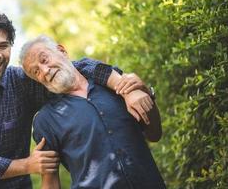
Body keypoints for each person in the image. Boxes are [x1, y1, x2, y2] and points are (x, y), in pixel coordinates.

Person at [0, 9, 151, 188]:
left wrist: (124, 86)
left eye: (3, 45)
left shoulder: (22, 82)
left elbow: (74, 69)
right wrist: (26, 165)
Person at [19, 35, 165, 189]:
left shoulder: (116, 85)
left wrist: (145, 93)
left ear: (61, 51)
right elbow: (50, 183)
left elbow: (155, 134)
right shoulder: (45, 121)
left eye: (44, 60)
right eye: (36, 72)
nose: (45, 71)